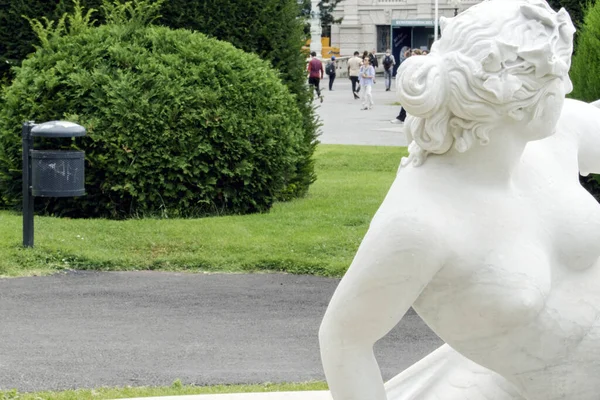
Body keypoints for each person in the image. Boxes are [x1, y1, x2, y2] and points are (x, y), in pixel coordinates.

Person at [319, 2, 600, 400]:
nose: (568, 89)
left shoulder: (557, 135)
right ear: (515, 98)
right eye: (557, 79)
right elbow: (344, 340)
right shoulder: (421, 221)